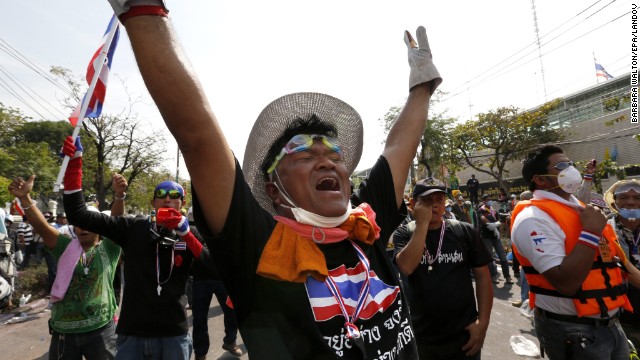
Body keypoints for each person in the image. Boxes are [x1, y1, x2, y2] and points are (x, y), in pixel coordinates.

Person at [103, 2, 441, 358]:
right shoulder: (260, 247)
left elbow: (398, 147)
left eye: (335, 157)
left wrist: (422, 87)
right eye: (306, 156)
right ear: (273, 190)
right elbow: (197, 136)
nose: (327, 164)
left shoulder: (367, 227)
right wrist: (143, 11)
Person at [60, 136, 214, 360]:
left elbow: (213, 269)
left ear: (182, 202)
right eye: (161, 195)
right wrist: (74, 163)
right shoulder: (133, 227)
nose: (167, 199)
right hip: (133, 333)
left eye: (174, 196)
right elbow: (79, 215)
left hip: (173, 334)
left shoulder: (190, 234)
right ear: (153, 203)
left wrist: (186, 234)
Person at [511, 144, 634, 359]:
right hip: (574, 331)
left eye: (570, 164)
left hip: (611, 324)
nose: (570, 169)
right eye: (561, 166)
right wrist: (590, 233)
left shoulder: (580, 209)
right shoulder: (533, 219)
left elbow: (621, 264)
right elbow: (566, 283)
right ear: (539, 179)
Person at [9, 175, 122, 360]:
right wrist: (24, 199)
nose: (84, 228)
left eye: (90, 223)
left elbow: (117, 223)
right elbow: (43, 228)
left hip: (101, 332)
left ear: (100, 226)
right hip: (64, 333)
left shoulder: (109, 248)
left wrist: (119, 197)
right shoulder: (64, 247)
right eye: (80, 224)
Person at [393, 178, 493, 359]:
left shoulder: (464, 231)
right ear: (413, 204)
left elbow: (483, 277)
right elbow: (406, 267)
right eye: (426, 201)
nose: (435, 206)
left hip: (463, 334)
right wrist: (422, 224)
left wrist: (482, 323)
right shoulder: (403, 233)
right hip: (420, 336)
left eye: (439, 200)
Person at [188, 209, 242, 359]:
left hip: (222, 279)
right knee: (199, 318)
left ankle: (230, 341)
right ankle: (201, 353)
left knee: (231, 312)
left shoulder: (223, 228)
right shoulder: (192, 229)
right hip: (201, 280)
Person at [602, 179, 640, 347]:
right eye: (623, 197)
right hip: (619, 315)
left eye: (638, 198)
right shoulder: (603, 229)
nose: (631, 202)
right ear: (614, 202)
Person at [478, 194, 513, 284]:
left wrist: (496, 226)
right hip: (486, 237)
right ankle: (493, 276)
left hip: (496, 236)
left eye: (490, 199)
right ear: (484, 201)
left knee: (502, 256)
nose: (489, 201)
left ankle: (507, 276)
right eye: (487, 200)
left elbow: (499, 221)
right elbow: (483, 219)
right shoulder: (481, 210)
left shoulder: (493, 211)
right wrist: (491, 225)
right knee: (490, 257)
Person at [510, 190, 533, 308]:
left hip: (529, 251)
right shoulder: (535, 210)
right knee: (526, 277)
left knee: (527, 277)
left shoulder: (525, 212)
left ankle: (527, 301)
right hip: (533, 250)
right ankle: (525, 299)